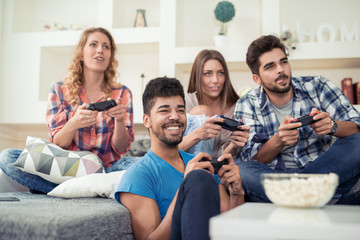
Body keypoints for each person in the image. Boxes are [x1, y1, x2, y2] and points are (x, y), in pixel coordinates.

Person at [0, 27, 134, 193]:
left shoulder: (122, 93)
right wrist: (74, 123)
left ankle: (69, 191)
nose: (100, 50)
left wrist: (119, 120)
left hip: (106, 170)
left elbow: (121, 148)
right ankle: (88, 190)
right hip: (68, 170)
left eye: (106, 47)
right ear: (81, 54)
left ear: (110, 56)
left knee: (140, 164)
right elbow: (58, 143)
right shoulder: (59, 89)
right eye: (93, 44)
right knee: (8, 157)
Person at [234, 35, 360, 204]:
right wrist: (278, 141)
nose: (280, 69)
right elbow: (254, 159)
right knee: (241, 170)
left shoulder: (319, 86)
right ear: (257, 78)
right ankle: (318, 198)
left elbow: (356, 126)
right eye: (270, 66)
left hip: (324, 171)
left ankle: (297, 196)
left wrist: (333, 126)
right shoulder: (247, 104)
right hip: (277, 177)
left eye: (283, 62)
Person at [115, 77, 245, 240]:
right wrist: (186, 183)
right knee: (198, 177)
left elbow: (228, 229)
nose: (175, 116)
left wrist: (237, 193)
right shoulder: (138, 175)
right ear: (147, 120)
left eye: (180, 110)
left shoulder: (200, 163)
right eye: (164, 110)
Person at [180, 49, 249, 158]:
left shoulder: (238, 108)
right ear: (198, 77)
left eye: (220, 73)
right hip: (189, 166)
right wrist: (198, 133)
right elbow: (169, 151)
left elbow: (225, 156)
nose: (215, 80)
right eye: (208, 74)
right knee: (201, 111)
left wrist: (234, 146)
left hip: (222, 167)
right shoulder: (185, 103)